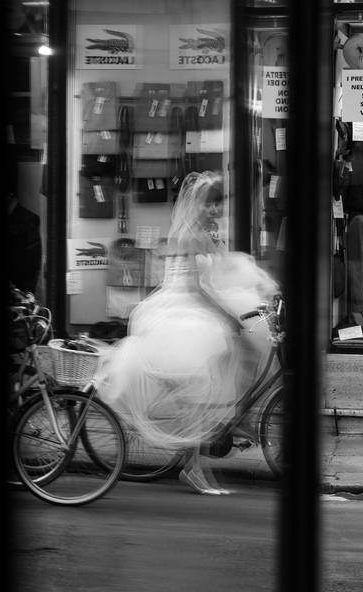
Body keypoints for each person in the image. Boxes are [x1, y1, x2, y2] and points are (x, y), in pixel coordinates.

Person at [100, 171, 279, 494]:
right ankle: (194, 465)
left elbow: (224, 268)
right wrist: (228, 316)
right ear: (196, 203)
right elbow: (197, 290)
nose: (214, 211)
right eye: (210, 205)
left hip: (203, 301)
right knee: (205, 381)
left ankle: (231, 414)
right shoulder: (187, 236)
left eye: (218, 206)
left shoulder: (206, 232)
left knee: (249, 350)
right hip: (185, 306)